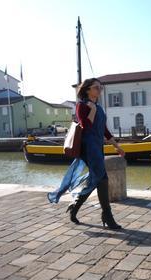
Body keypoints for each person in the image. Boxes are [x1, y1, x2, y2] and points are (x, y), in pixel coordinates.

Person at [47, 78, 125, 229]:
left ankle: (75, 207)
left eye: (101, 88)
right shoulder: (81, 106)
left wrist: (117, 146)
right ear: (88, 89)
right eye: (96, 88)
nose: (100, 90)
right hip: (88, 148)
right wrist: (92, 111)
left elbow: (105, 130)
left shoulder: (99, 107)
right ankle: (107, 216)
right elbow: (86, 126)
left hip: (98, 147)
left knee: (97, 179)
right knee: (102, 179)